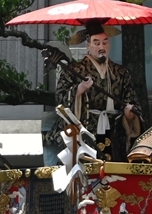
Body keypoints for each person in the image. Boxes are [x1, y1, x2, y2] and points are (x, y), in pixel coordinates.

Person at [61, 19, 143, 160]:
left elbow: (131, 100)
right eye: (96, 43)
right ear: (88, 46)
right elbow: (60, 97)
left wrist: (129, 114)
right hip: (87, 130)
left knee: (114, 169)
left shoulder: (120, 72)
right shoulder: (75, 70)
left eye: (105, 42)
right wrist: (79, 89)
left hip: (114, 132)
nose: (102, 47)